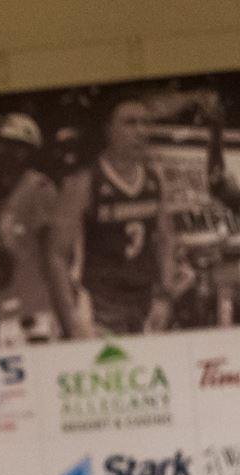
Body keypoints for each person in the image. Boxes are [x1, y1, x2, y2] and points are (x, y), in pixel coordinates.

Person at [53, 96, 175, 336]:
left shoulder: (154, 179)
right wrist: (71, 319)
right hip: (101, 307)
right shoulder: (86, 181)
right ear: (108, 129)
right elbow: (57, 254)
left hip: (145, 303)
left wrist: (165, 296)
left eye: (145, 123)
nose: (141, 131)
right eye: (130, 123)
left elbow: (166, 239)